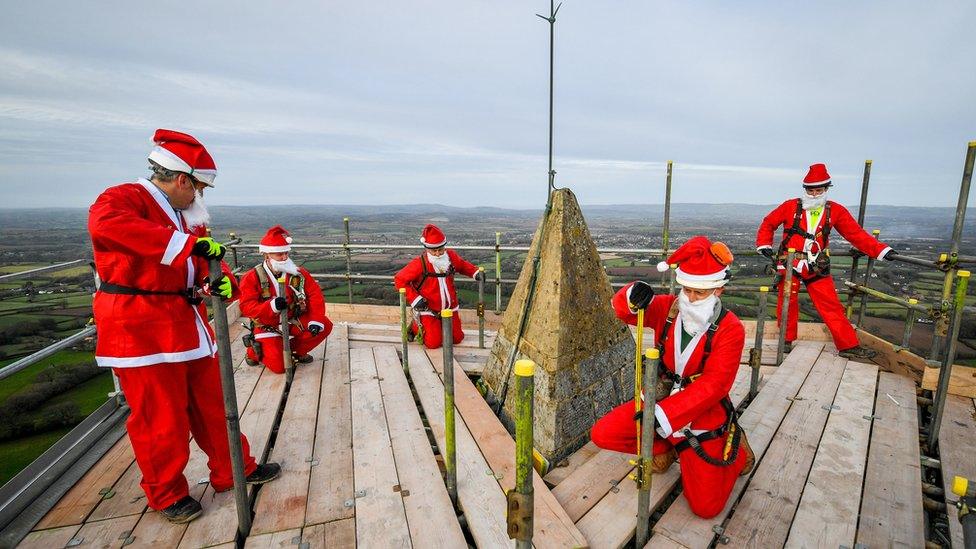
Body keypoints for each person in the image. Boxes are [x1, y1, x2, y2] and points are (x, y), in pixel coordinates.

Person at [88, 129, 280, 524]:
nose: (200, 197)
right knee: (160, 416)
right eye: (198, 188)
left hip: (186, 325)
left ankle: (234, 470)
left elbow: (205, 262)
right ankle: (166, 493)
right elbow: (107, 227)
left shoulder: (187, 218)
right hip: (140, 329)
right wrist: (187, 246)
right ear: (181, 180)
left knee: (214, 404)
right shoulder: (122, 198)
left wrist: (221, 279)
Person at [591, 236, 754, 519]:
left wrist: (663, 416)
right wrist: (632, 293)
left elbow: (715, 385)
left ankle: (737, 450)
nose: (690, 298)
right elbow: (624, 310)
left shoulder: (731, 329)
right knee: (602, 434)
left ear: (719, 289)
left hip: (701, 416)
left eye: (699, 293)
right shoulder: (668, 308)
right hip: (659, 401)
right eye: (687, 289)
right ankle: (665, 448)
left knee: (705, 508)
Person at [756, 163, 897, 360]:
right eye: (810, 190)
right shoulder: (790, 206)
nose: (814, 194)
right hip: (789, 263)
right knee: (786, 302)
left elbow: (856, 235)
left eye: (818, 190)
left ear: (826, 189)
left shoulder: (836, 211)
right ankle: (785, 341)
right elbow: (769, 223)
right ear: (805, 189)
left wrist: (882, 250)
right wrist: (764, 244)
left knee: (831, 305)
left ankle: (848, 345)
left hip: (816, 265)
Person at [239, 225, 332, 373]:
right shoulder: (251, 277)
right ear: (267, 255)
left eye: (286, 253)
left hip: (292, 320)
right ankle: (253, 351)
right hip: (267, 324)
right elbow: (246, 307)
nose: (284, 257)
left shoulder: (299, 273)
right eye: (279, 254)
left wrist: (315, 319)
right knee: (279, 367)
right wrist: (271, 306)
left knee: (324, 325)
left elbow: (315, 295)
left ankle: (295, 352)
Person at [393, 224, 484, 348]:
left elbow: (463, 266)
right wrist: (415, 299)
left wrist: (475, 272)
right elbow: (399, 279)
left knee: (457, 339)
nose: (437, 253)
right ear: (427, 249)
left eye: (440, 249)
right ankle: (414, 327)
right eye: (433, 250)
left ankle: (437, 327)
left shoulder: (451, 257)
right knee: (433, 343)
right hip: (428, 310)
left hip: (450, 307)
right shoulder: (420, 263)